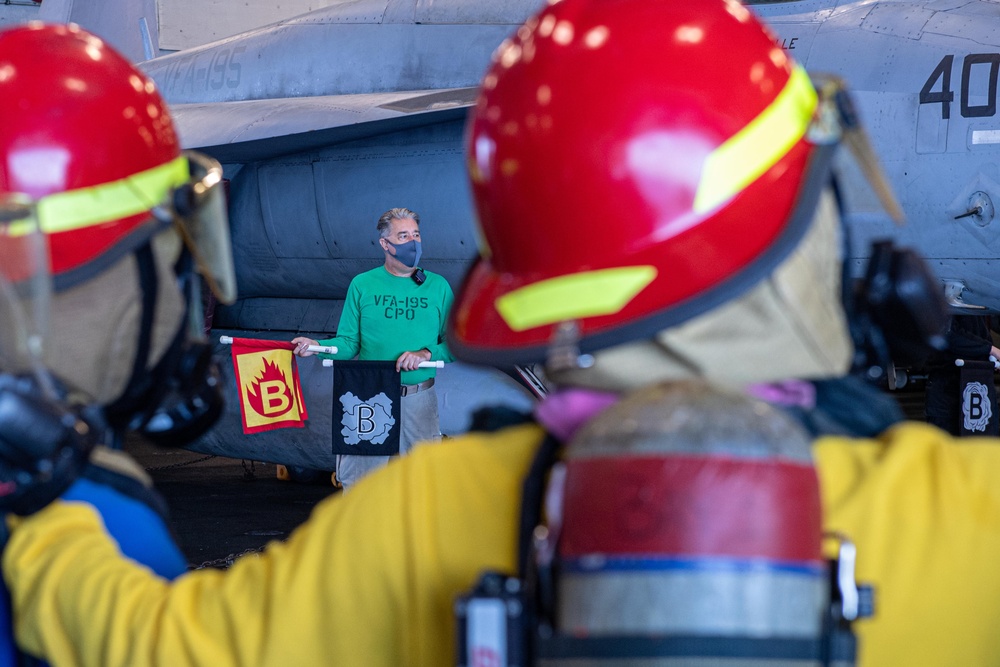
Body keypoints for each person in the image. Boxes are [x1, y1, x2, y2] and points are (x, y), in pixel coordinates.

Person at [1, 4, 999, 667]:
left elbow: (150, 640)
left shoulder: (426, 516)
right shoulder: (960, 515)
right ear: (804, 227)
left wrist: (49, 492)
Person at [290, 207, 455, 488]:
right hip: (368, 399)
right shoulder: (363, 285)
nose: (412, 243)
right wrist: (317, 346)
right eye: (403, 236)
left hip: (418, 401)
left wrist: (426, 353)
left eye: (416, 234)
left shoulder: (437, 287)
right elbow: (348, 343)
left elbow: (455, 343)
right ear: (385, 244)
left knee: (422, 488)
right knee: (362, 486)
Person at [924, 314, 1000, 434]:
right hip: (948, 386)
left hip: (977, 384)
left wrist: (987, 355)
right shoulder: (947, 298)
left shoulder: (975, 305)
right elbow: (947, 334)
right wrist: (990, 350)